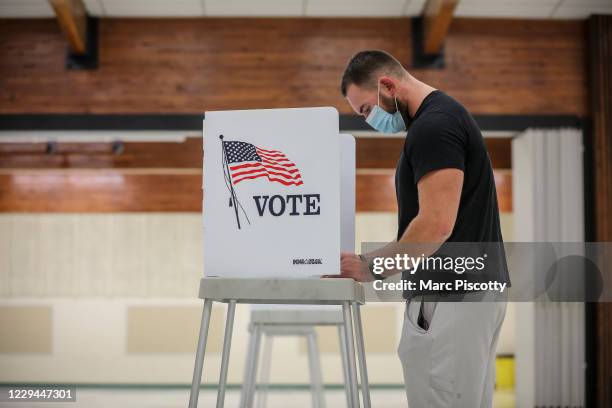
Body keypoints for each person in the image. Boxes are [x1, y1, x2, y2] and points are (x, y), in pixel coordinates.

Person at [333, 50, 510, 407]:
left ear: (387, 85)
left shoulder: (434, 127)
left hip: (452, 300)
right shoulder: (444, 118)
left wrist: (371, 266)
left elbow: (435, 224)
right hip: (471, 297)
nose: (369, 120)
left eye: (367, 109)